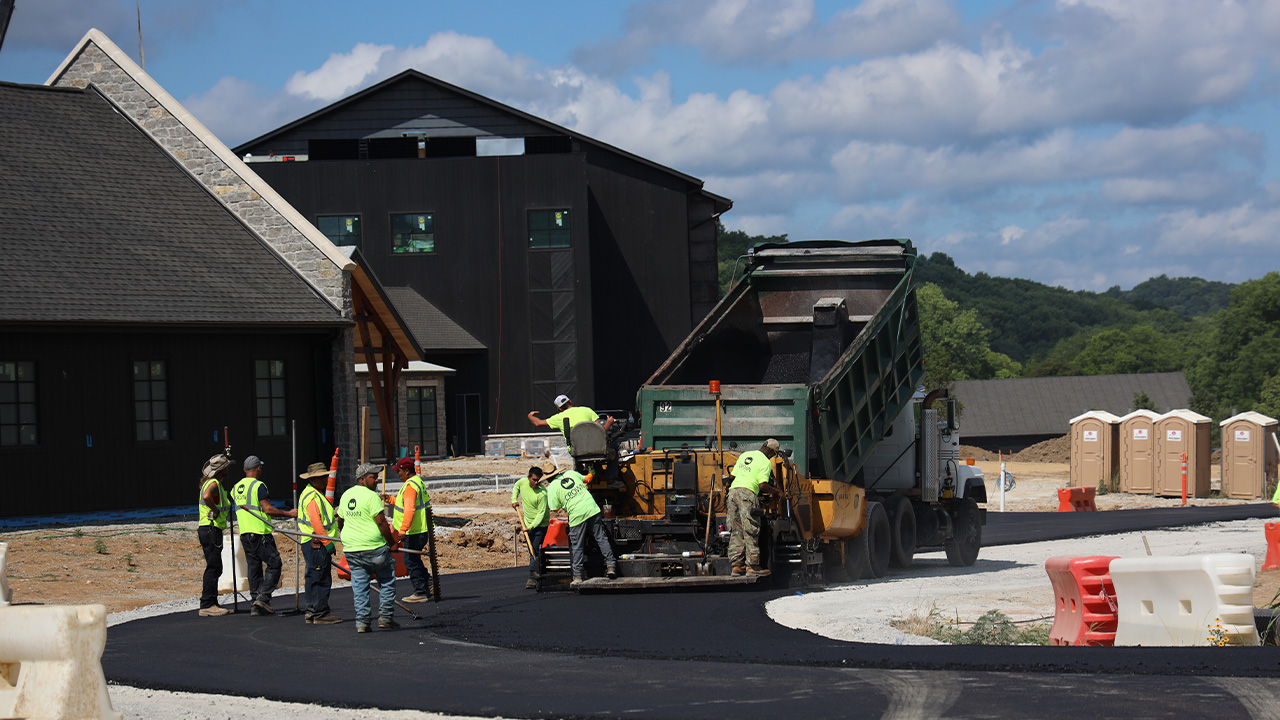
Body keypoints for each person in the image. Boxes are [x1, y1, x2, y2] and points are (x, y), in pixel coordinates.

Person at [231, 455, 297, 616]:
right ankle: (263, 596)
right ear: (258, 468)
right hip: (260, 533)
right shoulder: (258, 486)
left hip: (245, 533)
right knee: (274, 564)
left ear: (245, 470)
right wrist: (288, 513)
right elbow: (267, 509)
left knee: (254, 568)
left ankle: (256, 603)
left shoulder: (236, 487)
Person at [339, 463, 400, 633]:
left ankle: (362, 622)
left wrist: (344, 534)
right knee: (387, 581)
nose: (377, 480)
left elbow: (341, 519)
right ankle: (386, 618)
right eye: (373, 477)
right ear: (362, 479)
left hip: (352, 549)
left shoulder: (346, 495)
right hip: (374, 548)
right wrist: (392, 544)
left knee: (360, 586)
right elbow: (381, 522)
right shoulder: (371, 496)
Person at [544, 466, 617, 582]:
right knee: (601, 538)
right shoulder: (571, 473)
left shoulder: (552, 487)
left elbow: (555, 509)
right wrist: (592, 472)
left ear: (548, 479)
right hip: (592, 508)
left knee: (577, 545)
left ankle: (577, 576)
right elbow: (588, 479)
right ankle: (611, 566)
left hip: (577, 516)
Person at [727, 439, 782, 577]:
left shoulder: (745, 455)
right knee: (750, 529)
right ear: (770, 451)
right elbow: (762, 485)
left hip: (733, 493)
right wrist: (777, 492)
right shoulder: (765, 462)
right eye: (773, 454)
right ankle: (752, 566)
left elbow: (731, 477)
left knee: (736, 530)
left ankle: (736, 566)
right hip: (747, 494)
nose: (771, 457)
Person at [297, 461, 343, 625]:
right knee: (320, 577)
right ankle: (320, 613)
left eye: (325, 477)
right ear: (313, 479)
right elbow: (316, 522)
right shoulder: (312, 497)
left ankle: (311, 611)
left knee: (312, 576)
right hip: (317, 543)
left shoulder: (312, 493)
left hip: (313, 542)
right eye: (321, 477)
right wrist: (327, 542)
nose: (325, 480)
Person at [388, 456, 432, 603]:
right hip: (420, 529)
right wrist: (389, 499)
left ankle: (420, 591)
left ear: (407, 471)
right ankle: (427, 583)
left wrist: (403, 530)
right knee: (414, 559)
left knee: (410, 562)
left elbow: (410, 509)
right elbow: (403, 504)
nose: (397, 474)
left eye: (399, 471)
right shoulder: (416, 482)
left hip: (414, 531)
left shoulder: (410, 486)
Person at [197, 453, 235, 617]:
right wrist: (215, 510)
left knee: (215, 566)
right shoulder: (212, 484)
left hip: (210, 529)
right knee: (213, 567)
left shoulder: (211, 483)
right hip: (211, 529)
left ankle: (212, 601)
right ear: (223, 470)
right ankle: (207, 604)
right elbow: (207, 497)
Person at [528, 394, 615, 452]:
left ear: (559, 409)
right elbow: (602, 431)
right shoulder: (587, 410)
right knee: (614, 446)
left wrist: (530, 416)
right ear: (570, 401)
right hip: (596, 448)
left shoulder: (558, 417)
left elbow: (537, 423)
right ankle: (611, 477)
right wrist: (609, 422)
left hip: (576, 450)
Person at [511, 466, 550, 589]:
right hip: (527, 525)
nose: (536, 482)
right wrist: (514, 499)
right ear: (529, 478)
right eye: (534, 480)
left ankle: (532, 578)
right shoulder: (523, 483)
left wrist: (531, 527)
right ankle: (540, 570)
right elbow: (516, 486)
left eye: (538, 480)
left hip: (540, 526)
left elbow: (541, 514)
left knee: (535, 550)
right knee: (531, 550)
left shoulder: (542, 493)